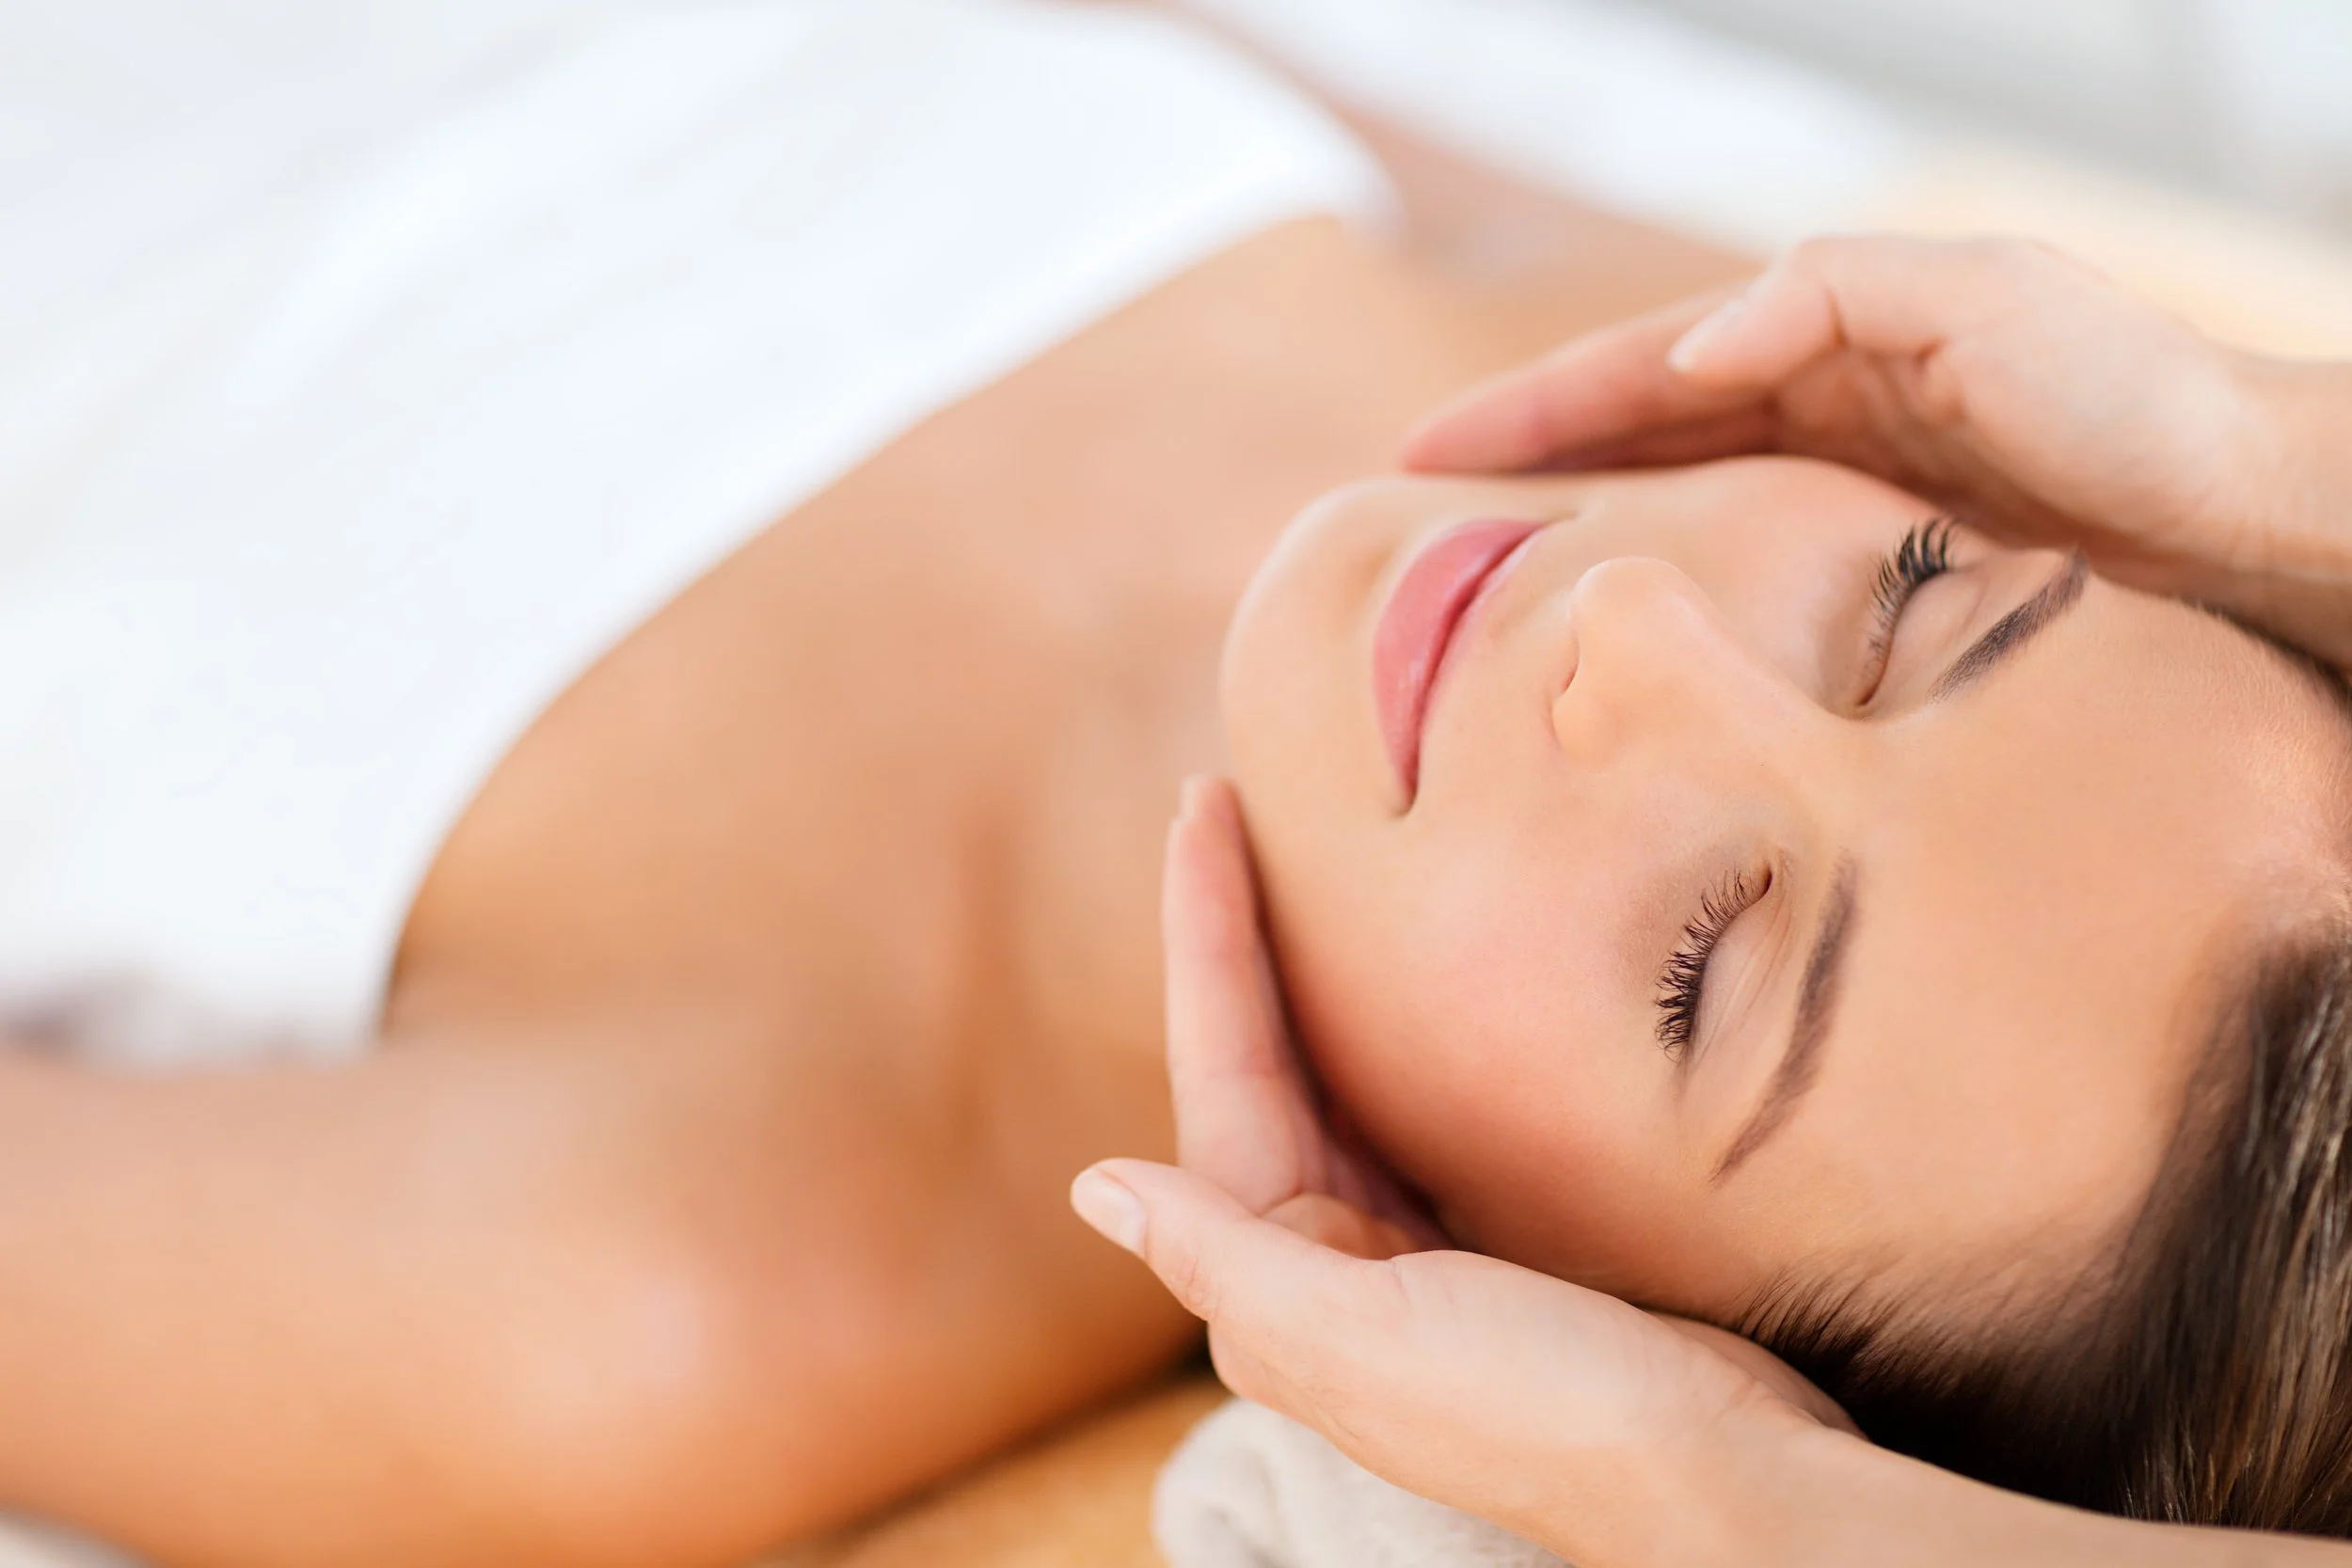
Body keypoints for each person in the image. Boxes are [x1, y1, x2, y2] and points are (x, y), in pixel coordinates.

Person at [1075, 233, 2352, 1565]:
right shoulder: (1714, 321)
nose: (1635, 618)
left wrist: (1732, 1493)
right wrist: (2260, 458)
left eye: (1706, 955)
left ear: (1548, 1301)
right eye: (1910, 599)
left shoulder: (841, 1283)